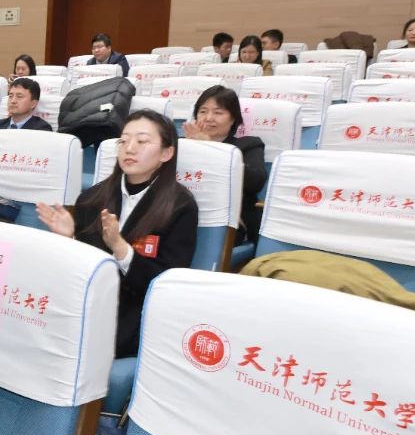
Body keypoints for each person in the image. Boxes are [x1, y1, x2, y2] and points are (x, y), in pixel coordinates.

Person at [37, 110, 198, 357]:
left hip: (134, 315)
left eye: (142, 141)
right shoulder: (91, 198)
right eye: (123, 141)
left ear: (166, 153)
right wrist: (69, 239)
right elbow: (79, 271)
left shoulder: (180, 206)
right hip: (85, 304)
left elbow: (166, 285)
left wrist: (120, 248)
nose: (129, 148)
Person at [184, 86, 266, 242]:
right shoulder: (182, 145)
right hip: (183, 213)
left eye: (218, 113)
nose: (208, 118)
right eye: (203, 111)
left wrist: (209, 147)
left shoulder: (248, 145)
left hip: (229, 221)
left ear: (233, 118)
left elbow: (255, 182)